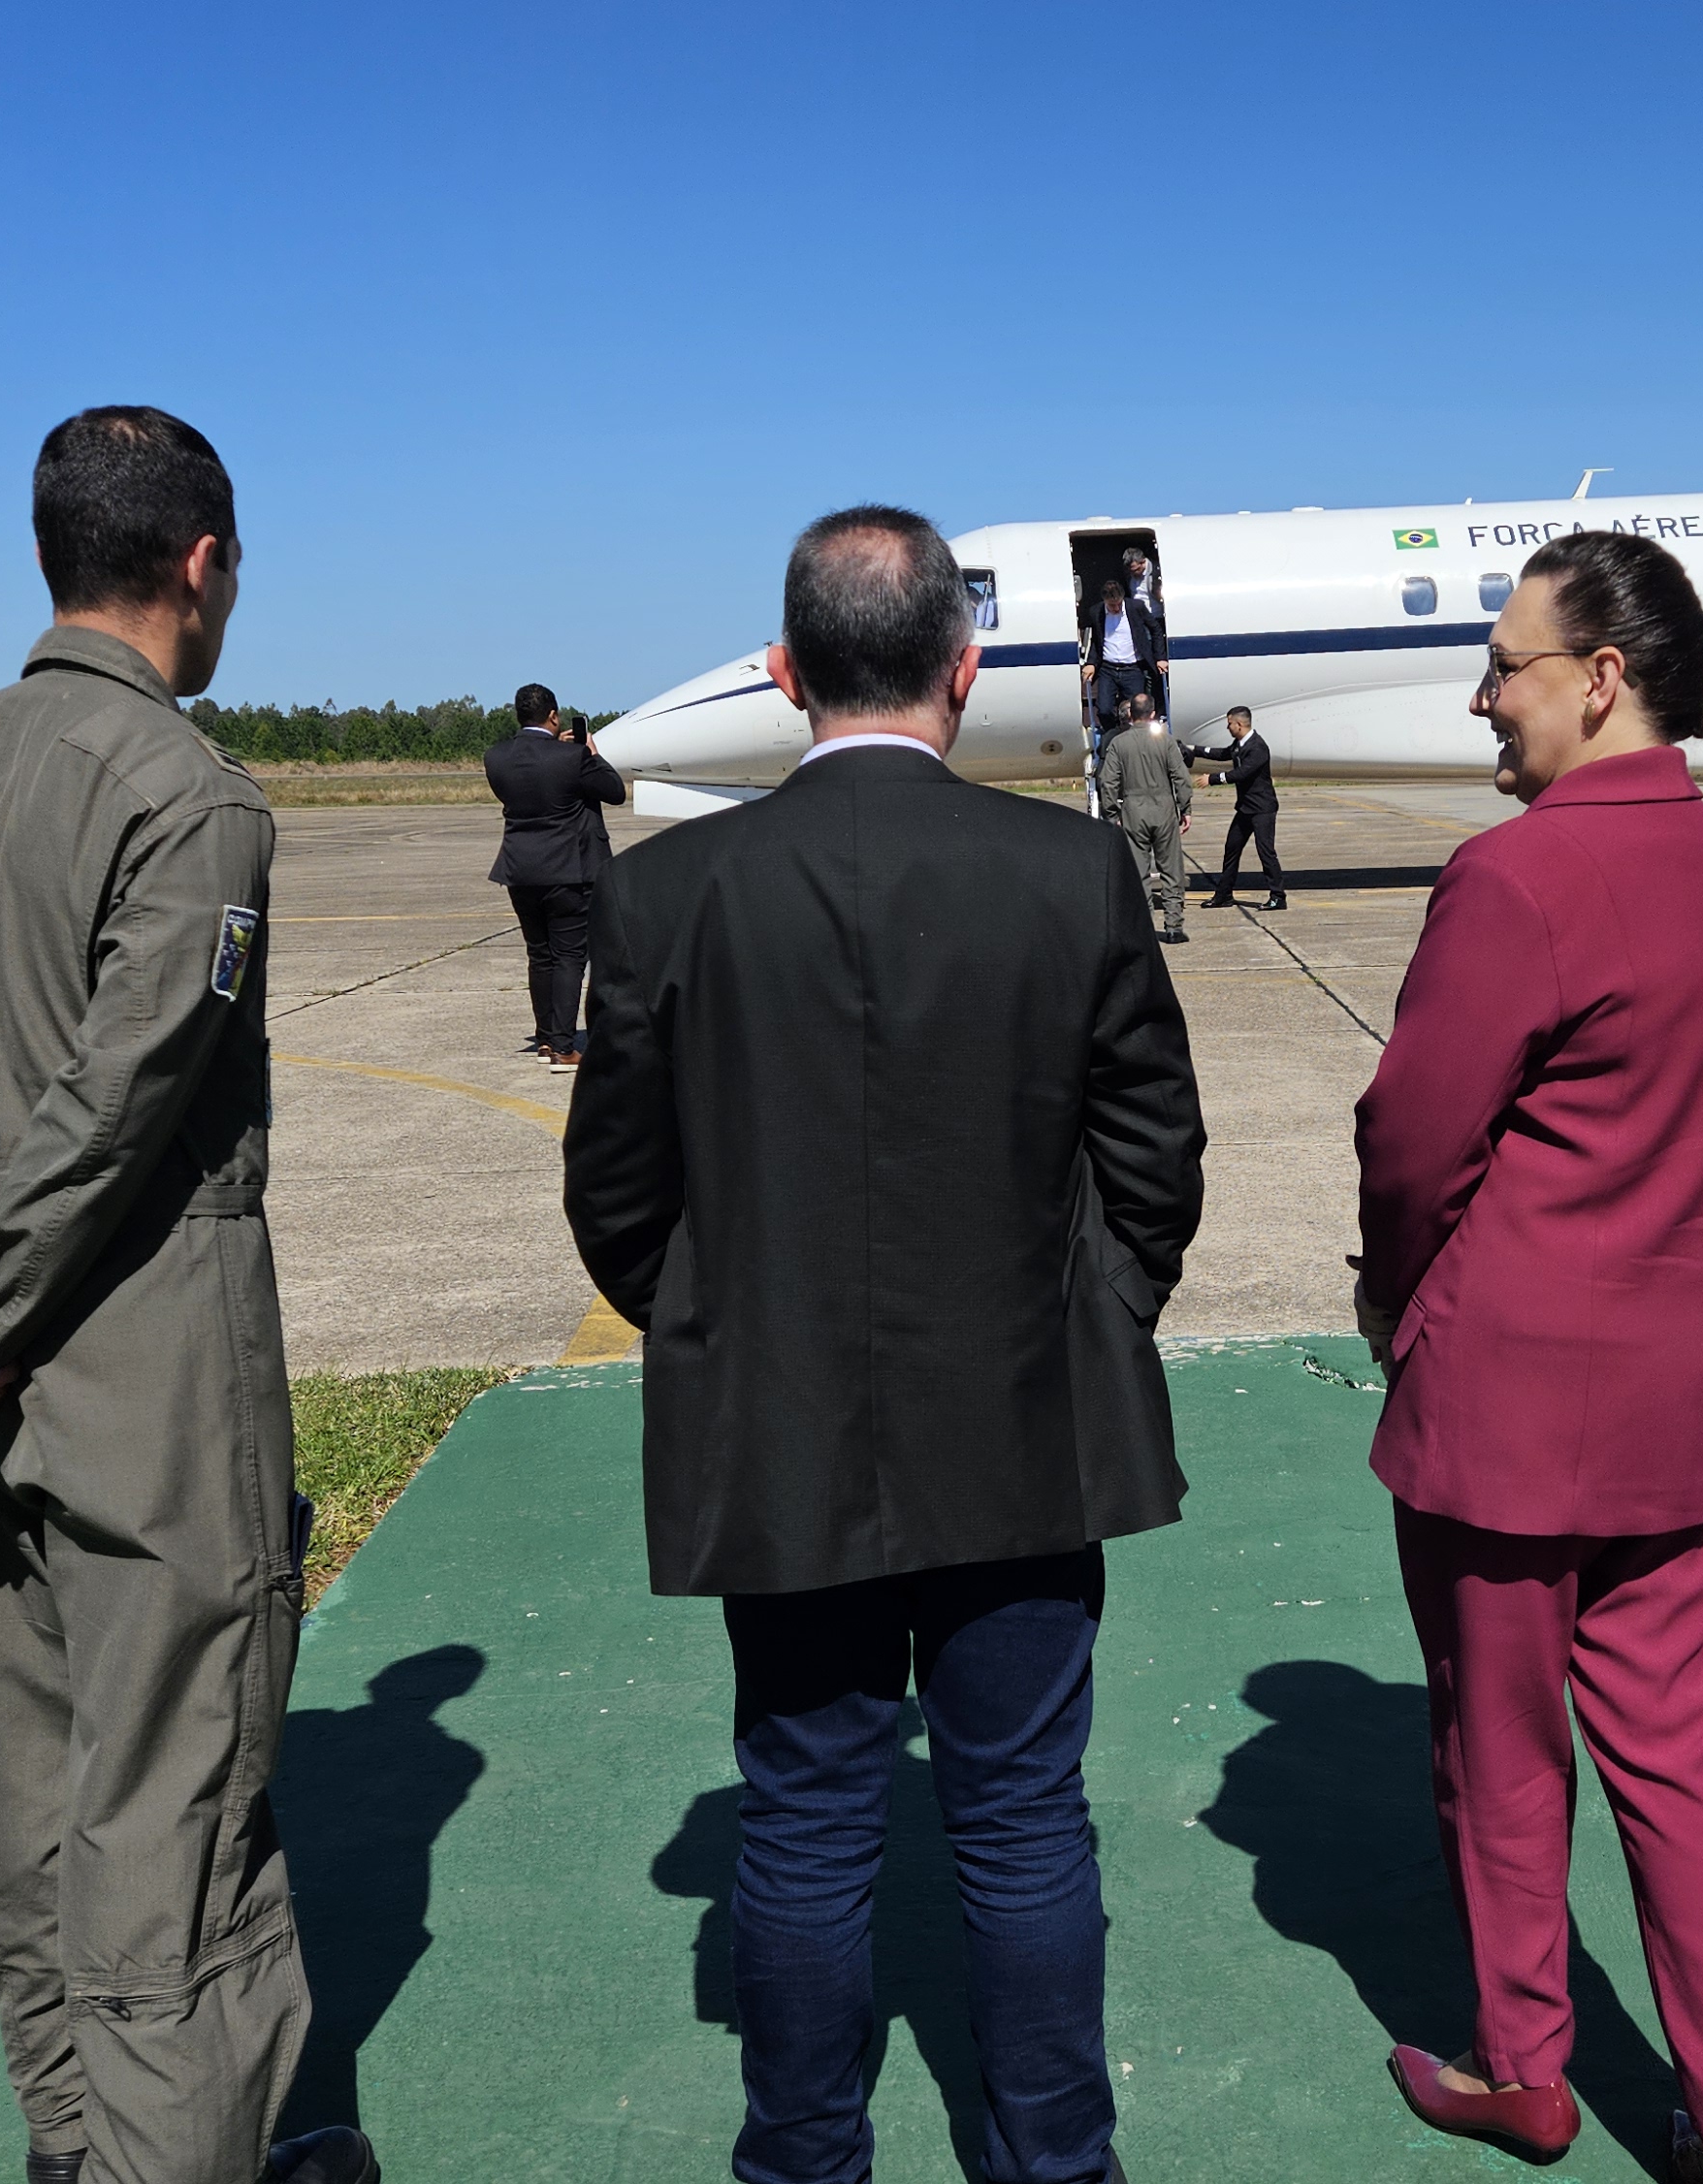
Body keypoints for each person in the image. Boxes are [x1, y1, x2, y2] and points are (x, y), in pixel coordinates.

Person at [562, 503, 1205, 2184]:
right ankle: (1056, 2157)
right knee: (1023, 1817)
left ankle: (802, 2159)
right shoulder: (1068, 873)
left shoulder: (668, 893)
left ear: (786, 674)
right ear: (962, 669)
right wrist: (1092, 1318)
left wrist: (726, 1327)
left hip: (778, 1430)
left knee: (803, 1817)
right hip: (1023, 1422)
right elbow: (1155, 1157)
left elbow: (616, 1195)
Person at [0, 407, 372, 2184]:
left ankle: (76, 2147)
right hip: (142, 1382)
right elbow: (124, 1102)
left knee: (34, 1802)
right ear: (203, 562)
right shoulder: (192, 799)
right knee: (172, 1834)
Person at [1350, 528, 1703, 2184]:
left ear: (1601, 678)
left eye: (1504, 666)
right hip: (1686, 1385)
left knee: (1501, 1750)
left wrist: (1392, 1301)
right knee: (1680, 1761)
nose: (1484, 698)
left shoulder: (1517, 874)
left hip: (1514, 1396)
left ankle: (1522, 2066)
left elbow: (1412, 1140)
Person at [483, 683, 627, 1071]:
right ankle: (564, 1048)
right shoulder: (573, 757)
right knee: (569, 956)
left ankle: (546, 1038)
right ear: (553, 716)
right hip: (568, 870)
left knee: (540, 955)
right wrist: (589, 753)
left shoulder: (496, 758)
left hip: (519, 869)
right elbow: (614, 791)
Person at [1097, 691, 1194, 945]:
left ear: (1130, 714)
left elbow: (1108, 782)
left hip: (1133, 810)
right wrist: (1185, 809)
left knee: (1139, 873)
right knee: (1171, 870)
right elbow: (1181, 778)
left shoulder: (1119, 743)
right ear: (1152, 713)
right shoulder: (1166, 741)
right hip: (1163, 809)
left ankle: (1145, 929)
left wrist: (1112, 814)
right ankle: (1173, 927)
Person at [1196, 703, 1285, 911]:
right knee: (1232, 848)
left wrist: (1212, 779)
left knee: (1266, 852)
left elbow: (1241, 773)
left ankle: (1278, 897)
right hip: (1245, 808)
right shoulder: (1239, 744)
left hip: (1262, 809)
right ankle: (1224, 895)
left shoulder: (1257, 747)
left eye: (1229, 724)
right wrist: (1194, 750)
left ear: (1239, 724)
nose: (1227, 727)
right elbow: (1223, 754)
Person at [1081, 545, 1164, 746]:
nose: (1116, 608)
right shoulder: (1096, 612)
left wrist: (1160, 658)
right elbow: (1097, 641)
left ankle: (1136, 743)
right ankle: (1115, 739)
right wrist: (1091, 663)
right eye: (1112, 605)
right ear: (1104, 601)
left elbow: (1155, 629)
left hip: (1132, 668)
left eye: (1118, 604)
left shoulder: (1136, 607)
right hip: (1108, 668)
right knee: (1104, 710)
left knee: (1136, 711)